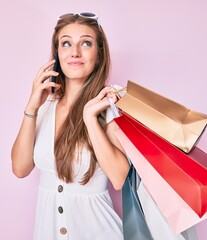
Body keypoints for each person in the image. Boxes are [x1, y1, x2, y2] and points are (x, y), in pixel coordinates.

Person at [11, 12, 130, 240]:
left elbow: (120, 178)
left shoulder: (108, 107)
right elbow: (20, 168)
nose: (75, 52)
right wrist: (32, 107)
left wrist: (89, 119)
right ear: (57, 53)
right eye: (66, 43)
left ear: (99, 53)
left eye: (86, 43)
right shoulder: (45, 107)